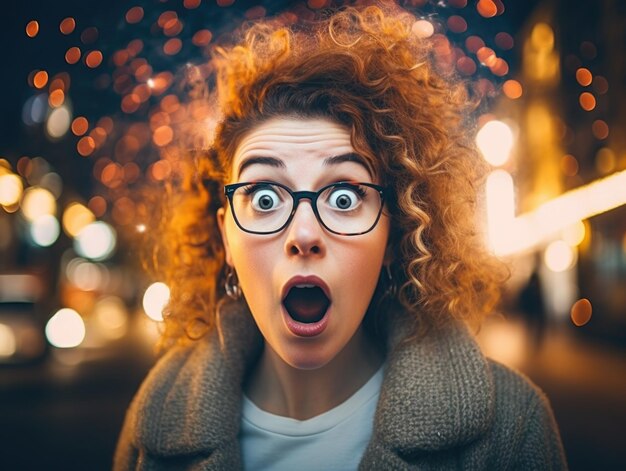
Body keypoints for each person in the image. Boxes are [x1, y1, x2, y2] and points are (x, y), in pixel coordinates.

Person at [114, 3, 567, 469]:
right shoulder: (153, 425)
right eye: (265, 198)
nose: (304, 234)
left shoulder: (512, 429)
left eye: (345, 197)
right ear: (226, 237)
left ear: (395, 237)